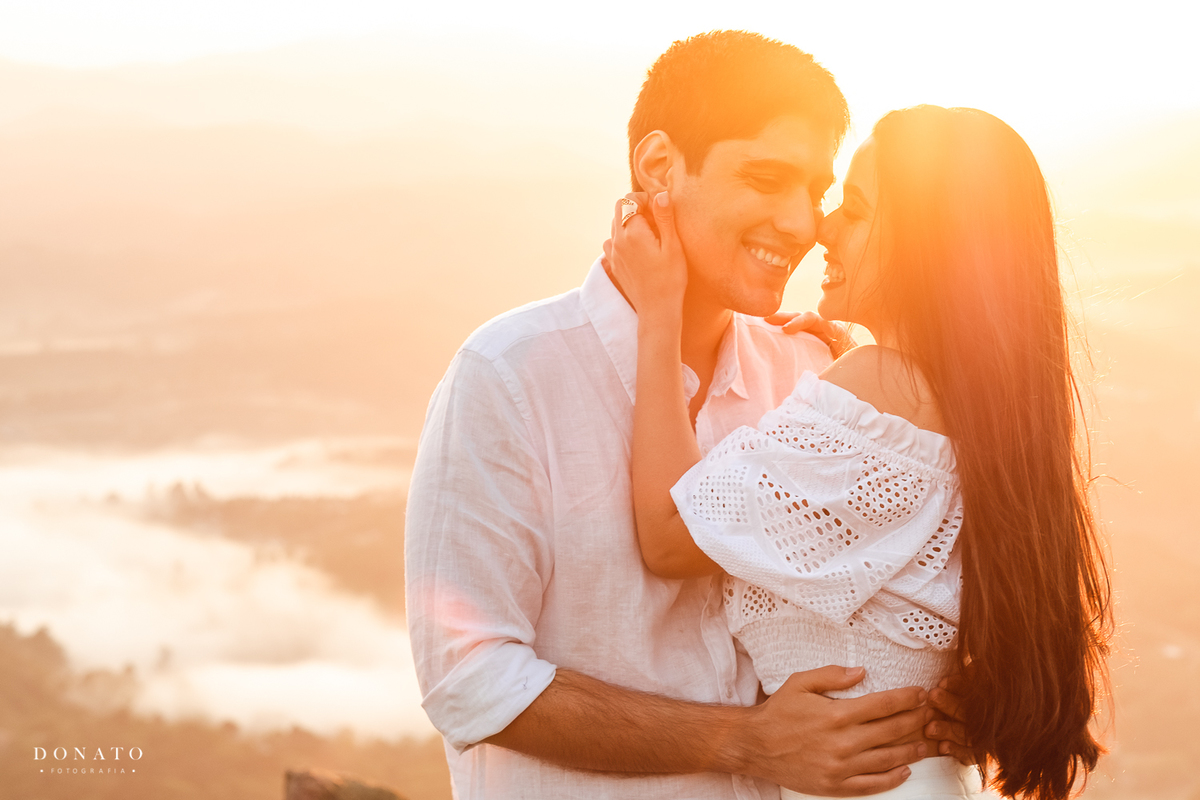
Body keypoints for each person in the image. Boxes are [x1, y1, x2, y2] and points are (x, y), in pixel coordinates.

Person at [405, 32, 968, 800]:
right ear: (660, 168)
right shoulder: (508, 375)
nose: (803, 224)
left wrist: (949, 706)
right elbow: (467, 678)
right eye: (768, 179)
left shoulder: (814, 377)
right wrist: (742, 744)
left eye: (817, 191)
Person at [607, 104, 1112, 800]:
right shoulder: (979, 411)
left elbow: (667, 537)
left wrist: (657, 312)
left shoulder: (874, 392)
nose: (824, 229)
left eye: (856, 208)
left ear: (925, 247)